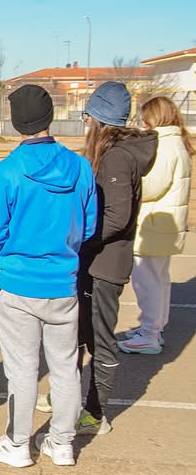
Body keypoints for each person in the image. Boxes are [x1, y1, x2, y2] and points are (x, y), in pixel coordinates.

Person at [0, 85, 97, 469]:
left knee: (22, 371)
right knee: (65, 366)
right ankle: (62, 443)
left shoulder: (7, 171)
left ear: (16, 122)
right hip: (63, 283)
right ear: (50, 117)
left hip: (19, 285)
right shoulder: (80, 167)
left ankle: (17, 443)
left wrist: (21, 244)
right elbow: (88, 226)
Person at [76, 82, 156, 435]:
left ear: (100, 120)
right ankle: (71, 394)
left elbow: (116, 218)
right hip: (95, 261)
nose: (85, 122)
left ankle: (96, 412)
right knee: (81, 331)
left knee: (100, 338)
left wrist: (80, 239)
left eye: (87, 116)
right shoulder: (113, 154)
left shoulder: (117, 158)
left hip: (104, 265)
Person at [118, 96, 194, 354]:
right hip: (163, 225)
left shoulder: (164, 144)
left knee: (147, 280)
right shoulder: (176, 141)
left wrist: (130, 177)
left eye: (145, 117)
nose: (142, 122)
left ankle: (149, 333)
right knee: (159, 279)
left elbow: (152, 186)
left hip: (153, 224)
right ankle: (153, 329)